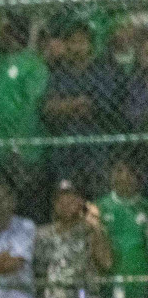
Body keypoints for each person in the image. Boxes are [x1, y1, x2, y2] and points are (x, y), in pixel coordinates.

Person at [43, 20, 122, 181]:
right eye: (72, 42)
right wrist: (75, 103)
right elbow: (48, 108)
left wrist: (64, 105)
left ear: (90, 45)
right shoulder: (59, 75)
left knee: (93, 199)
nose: (76, 47)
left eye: (81, 42)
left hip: (95, 152)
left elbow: (95, 107)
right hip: (65, 151)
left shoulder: (102, 72)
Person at [0, 14, 49, 198]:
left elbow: (32, 105)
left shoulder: (33, 64)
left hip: (24, 149)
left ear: (12, 33)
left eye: (2, 31)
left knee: (28, 198)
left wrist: (17, 144)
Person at [32, 180, 111, 298]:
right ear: (54, 204)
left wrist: (96, 226)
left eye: (71, 200)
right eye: (61, 201)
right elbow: (38, 274)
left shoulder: (89, 230)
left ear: (80, 202)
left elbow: (106, 262)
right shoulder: (43, 234)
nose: (66, 205)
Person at [96, 159, 148, 298]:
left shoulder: (145, 206)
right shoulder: (100, 206)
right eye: (118, 171)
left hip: (142, 288)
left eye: (128, 172)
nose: (123, 177)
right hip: (111, 287)